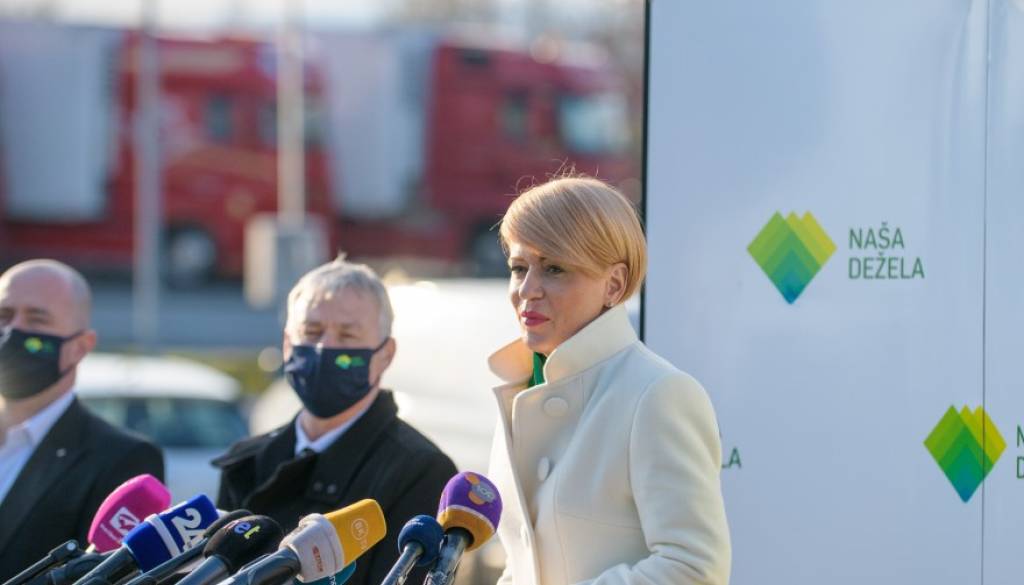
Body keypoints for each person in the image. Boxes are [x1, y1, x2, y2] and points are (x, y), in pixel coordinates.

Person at [487, 177, 731, 585]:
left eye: (554, 268)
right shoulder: (519, 390)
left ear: (614, 285)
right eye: (518, 268)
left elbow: (695, 567)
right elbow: (524, 563)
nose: (526, 290)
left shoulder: (659, 394)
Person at [214, 257, 457, 585]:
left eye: (347, 335)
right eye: (311, 331)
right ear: (287, 344)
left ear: (385, 355)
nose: (324, 347)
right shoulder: (247, 461)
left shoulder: (421, 470)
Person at [0, 260, 165, 581]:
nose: (14, 331)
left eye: (36, 319)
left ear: (80, 347)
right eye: (4, 315)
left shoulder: (123, 459)